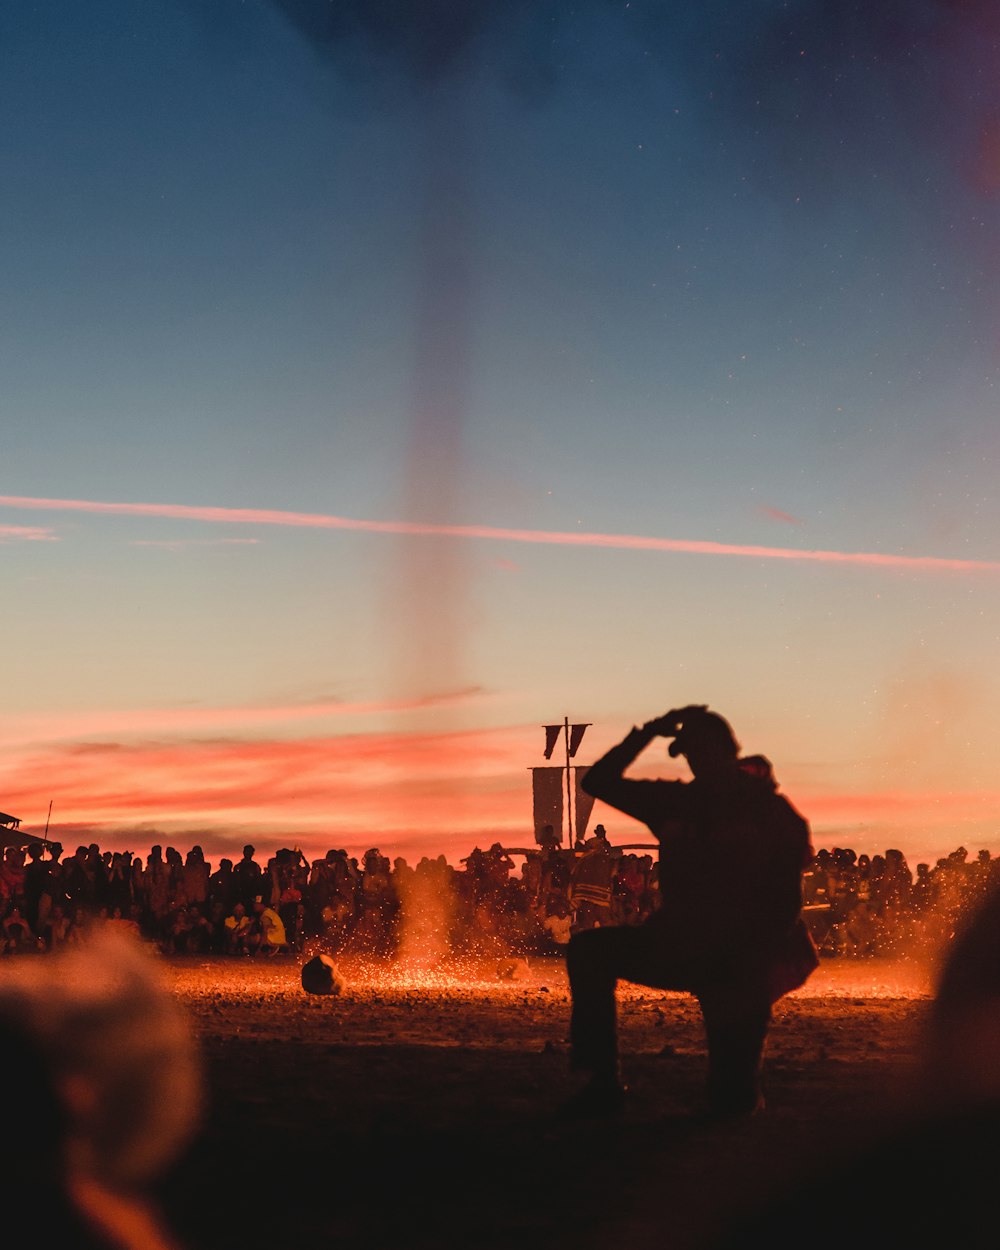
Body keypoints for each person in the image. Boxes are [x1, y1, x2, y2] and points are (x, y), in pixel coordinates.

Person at [565, 705, 816, 1117]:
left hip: (740, 960)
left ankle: (731, 1088)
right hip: (682, 944)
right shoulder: (678, 801)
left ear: (726, 750)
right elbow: (597, 782)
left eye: (699, 750)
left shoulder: (768, 810)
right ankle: (601, 1083)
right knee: (589, 951)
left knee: (732, 1102)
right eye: (688, 753)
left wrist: (753, 960)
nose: (694, 760)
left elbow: (785, 900)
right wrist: (645, 732)